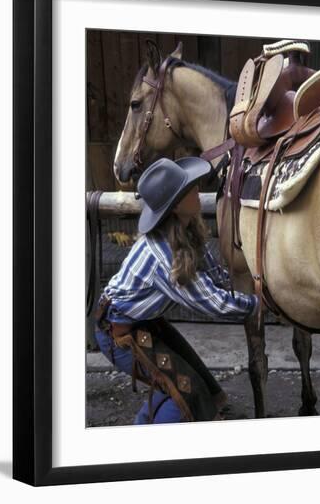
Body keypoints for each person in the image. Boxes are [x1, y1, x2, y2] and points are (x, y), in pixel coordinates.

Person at [94, 156, 258, 424]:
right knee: (185, 389)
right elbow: (213, 303)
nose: (197, 191)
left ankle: (141, 428)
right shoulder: (164, 256)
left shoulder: (186, 230)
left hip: (142, 323)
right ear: (175, 205)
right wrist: (259, 303)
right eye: (190, 189)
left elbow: (213, 275)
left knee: (189, 374)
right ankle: (155, 455)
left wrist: (242, 280)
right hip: (117, 334)